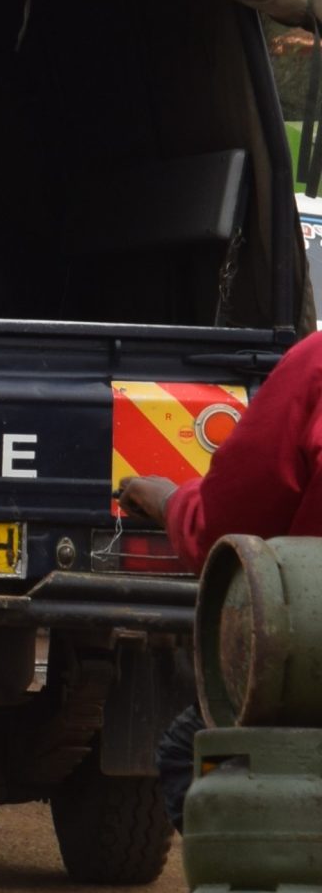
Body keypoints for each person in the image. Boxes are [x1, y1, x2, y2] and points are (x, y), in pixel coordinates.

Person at [117, 331, 322, 827]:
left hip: (312, 665)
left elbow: (227, 531)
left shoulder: (316, 367)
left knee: (189, 762)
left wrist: (170, 501)